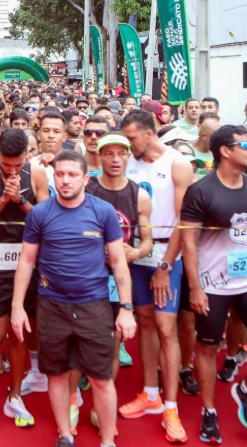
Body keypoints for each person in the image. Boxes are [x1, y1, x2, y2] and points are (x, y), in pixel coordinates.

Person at [10, 150, 137, 447]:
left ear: (85, 177)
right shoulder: (40, 213)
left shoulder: (103, 211)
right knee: (55, 374)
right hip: (51, 305)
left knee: (101, 378)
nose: (65, 181)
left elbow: (118, 262)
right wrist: (17, 307)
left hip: (94, 305)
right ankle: (65, 435)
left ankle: (108, 441)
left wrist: (126, 308)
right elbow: (27, 261)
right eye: (60, 175)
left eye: (72, 175)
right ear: (54, 177)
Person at [179, 125, 247, 444]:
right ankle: (209, 412)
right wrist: (195, 287)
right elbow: (188, 241)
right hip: (212, 284)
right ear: (225, 151)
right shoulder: (201, 191)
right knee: (207, 349)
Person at [118, 109, 194, 441]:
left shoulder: (177, 163)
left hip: (166, 254)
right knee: (146, 323)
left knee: (166, 329)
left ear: (149, 133)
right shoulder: (127, 162)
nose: (128, 144)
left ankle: (171, 407)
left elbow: (184, 220)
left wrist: (165, 266)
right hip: (134, 253)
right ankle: (150, 394)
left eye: (132, 138)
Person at [0, 127, 49, 441]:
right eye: (7, 166)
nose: (13, 171)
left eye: (18, 166)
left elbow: (46, 221)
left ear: (27, 156)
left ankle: (14, 398)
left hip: (28, 263)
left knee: (20, 334)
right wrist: (4, 199)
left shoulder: (40, 174)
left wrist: (20, 201)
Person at [84, 132, 153, 430]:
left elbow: (148, 241)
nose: (114, 160)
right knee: (79, 341)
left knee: (111, 344)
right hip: (85, 275)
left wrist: (135, 251)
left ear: (128, 156)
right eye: (108, 154)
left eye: (120, 154)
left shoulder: (140, 194)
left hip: (118, 279)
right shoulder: (87, 189)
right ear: (99, 157)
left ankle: (102, 407)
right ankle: (73, 400)